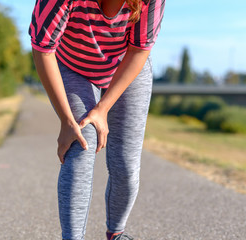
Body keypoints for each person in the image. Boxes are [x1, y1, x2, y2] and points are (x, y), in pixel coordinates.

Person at [29, 0, 165, 239]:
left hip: (126, 65)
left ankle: (116, 233)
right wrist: (66, 121)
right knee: (80, 145)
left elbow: (138, 50)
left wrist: (103, 108)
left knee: (125, 163)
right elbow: (43, 48)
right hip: (74, 65)